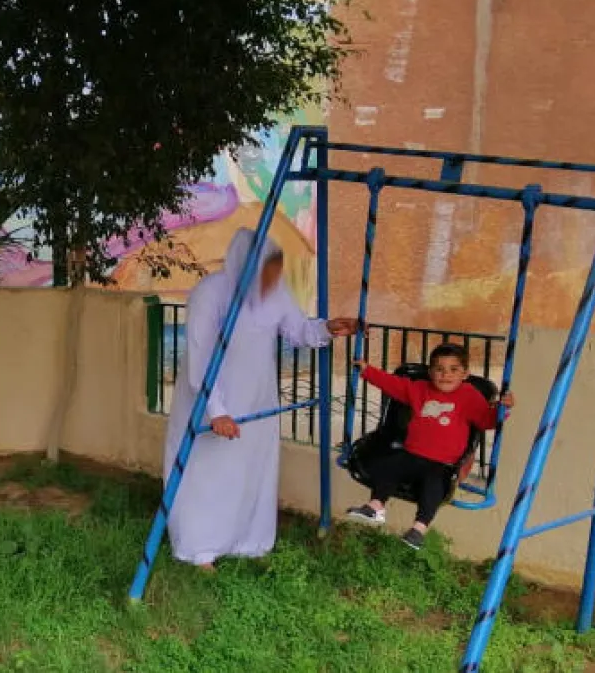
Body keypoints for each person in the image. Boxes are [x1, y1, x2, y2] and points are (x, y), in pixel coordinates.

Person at [164, 228, 359, 571]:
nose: (273, 281)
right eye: (267, 273)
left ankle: (246, 541)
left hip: (256, 401)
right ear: (247, 266)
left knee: (251, 470)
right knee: (207, 473)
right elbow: (200, 356)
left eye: (276, 273)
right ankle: (200, 547)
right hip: (211, 402)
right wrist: (216, 411)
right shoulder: (211, 293)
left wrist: (327, 328)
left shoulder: (276, 294)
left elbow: (298, 330)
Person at [347, 342, 515, 550]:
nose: (446, 375)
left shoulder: (469, 395)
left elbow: (485, 420)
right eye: (439, 369)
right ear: (430, 372)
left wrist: (502, 409)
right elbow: (392, 384)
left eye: (453, 370)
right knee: (388, 466)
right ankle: (376, 506)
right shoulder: (419, 389)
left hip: (442, 463)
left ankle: (419, 529)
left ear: (465, 374)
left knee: (433, 486)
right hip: (411, 454)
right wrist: (367, 370)